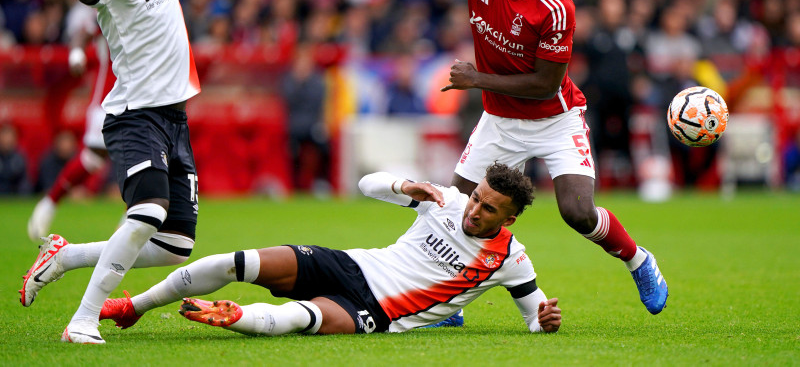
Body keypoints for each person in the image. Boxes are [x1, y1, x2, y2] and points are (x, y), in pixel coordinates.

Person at [395, 0, 668, 316]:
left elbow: (545, 84)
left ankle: (639, 261)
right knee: (454, 210)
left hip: (555, 120)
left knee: (577, 213)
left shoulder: (556, 7)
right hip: (500, 122)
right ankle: (449, 305)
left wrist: (478, 80)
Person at [17, 0, 201, 344]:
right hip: (134, 118)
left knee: (174, 245)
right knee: (146, 212)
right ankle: (81, 322)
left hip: (174, 120)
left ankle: (65, 255)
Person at [99, 163, 561, 336]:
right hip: (352, 263)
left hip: (379, 312)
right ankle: (132, 307)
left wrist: (544, 321)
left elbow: (534, 318)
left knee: (304, 317)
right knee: (237, 261)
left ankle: (235, 316)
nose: (475, 210)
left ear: (510, 219)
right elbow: (366, 184)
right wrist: (406, 185)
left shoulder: (510, 260)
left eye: (489, 209)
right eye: (477, 198)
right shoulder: (446, 200)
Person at [28, 4, 115, 240]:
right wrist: (77, 53)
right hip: (108, 99)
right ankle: (50, 202)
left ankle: (135, 221)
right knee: (94, 158)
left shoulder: (149, 2)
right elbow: (84, 32)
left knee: (143, 154)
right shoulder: (113, 3)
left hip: (143, 96)